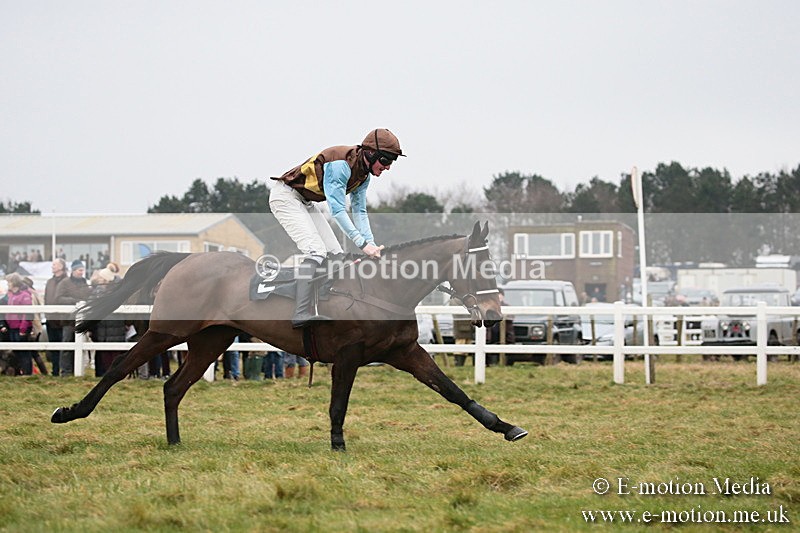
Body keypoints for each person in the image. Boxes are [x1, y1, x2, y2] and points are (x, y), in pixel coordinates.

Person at [269, 128, 405, 328]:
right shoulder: (340, 165)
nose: (388, 167)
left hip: (305, 201)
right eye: (386, 161)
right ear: (370, 154)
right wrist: (362, 244)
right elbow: (338, 211)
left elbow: (360, 212)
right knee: (316, 252)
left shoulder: (363, 176)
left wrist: (371, 245)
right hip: (285, 197)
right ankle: (300, 312)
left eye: (392, 162)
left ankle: (323, 304)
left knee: (336, 255)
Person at [54, 259, 92, 376]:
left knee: (80, 346)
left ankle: (77, 369)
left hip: (81, 319)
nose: (81, 272)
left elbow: (89, 296)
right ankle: (66, 371)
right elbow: (58, 298)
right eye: (80, 270)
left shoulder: (85, 283)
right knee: (67, 345)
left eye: (82, 270)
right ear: (74, 270)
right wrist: (75, 302)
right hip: (68, 320)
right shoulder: (64, 283)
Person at [88, 267, 125, 377]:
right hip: (101, 328)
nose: (99, 279)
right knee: (103, 354)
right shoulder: (97, 291)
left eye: (101, 278)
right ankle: (103, 374)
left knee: (114, 354)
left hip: (115, 327)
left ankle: (113, 375)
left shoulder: (118, 291)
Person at [4, 274, 34, 375]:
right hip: (12, 327)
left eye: (9, 282)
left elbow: (27, 313)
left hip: (20, 327)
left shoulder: (25, 295)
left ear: (14, 282)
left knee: (24, 351)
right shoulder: (11, 295)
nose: (8, 284)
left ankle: (27, 372)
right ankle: (21, 371)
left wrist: (23, 328)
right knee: (17, 351)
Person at [44, 258, 68, 376]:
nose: (52, 266)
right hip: (51, 319)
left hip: (62, 319)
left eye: (55, 264)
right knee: (53, 345)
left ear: (61, 266)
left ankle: (64, 370)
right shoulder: (49, 282)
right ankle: (55, 370)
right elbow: (46, 298)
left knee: (64, 347)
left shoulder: (67, 282)